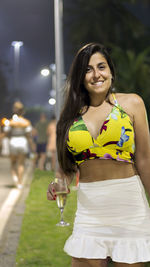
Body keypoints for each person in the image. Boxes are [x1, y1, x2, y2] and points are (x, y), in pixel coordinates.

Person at [47, 43, 150, 266]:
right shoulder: (69, 117)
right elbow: (65, 168)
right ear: (80, 77)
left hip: (129, 207)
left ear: (111, 71)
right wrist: (57, 184)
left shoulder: (132, 103)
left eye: (101, 67)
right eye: (87, 69)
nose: (96, 75)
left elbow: (144, 160)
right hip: (90, 211)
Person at [4, 101, 35, 189]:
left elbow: (6, 132)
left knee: (13, 163)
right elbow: (29, 136)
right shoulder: (26, 122)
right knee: (21, 164)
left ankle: (15, 179)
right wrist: (32, 147)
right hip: (23, 142)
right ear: (22, 111)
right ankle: (20, 182)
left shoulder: (11, 122)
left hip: (13, 142)